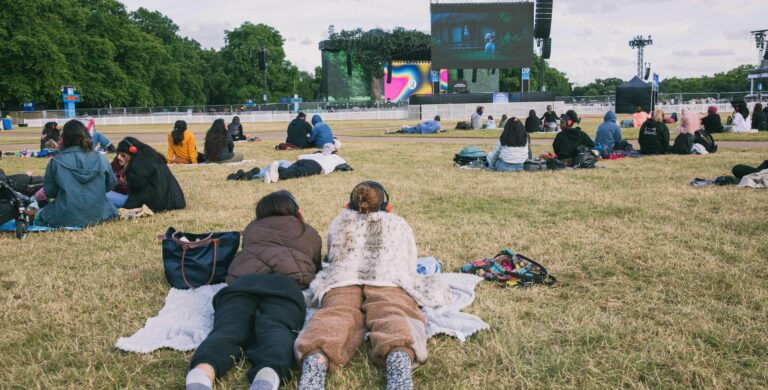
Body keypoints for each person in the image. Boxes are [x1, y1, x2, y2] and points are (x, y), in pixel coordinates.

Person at [295, 182, 453, 390]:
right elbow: (409, 262)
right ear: (386, 206)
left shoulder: (339, 222)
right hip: (390, 279)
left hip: (341, 279)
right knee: (393, 313)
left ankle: (315, 366)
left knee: (335, 314)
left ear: (348, 204)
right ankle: (399, 366)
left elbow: (333, 255)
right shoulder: (399, 223)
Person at [186, 191, 322, 390]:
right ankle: (268, 374)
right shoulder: (308, 232)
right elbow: (316, 270)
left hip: (242, 283)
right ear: (296, 211)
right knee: (277, 328)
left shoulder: (251, 229)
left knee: (228, 329)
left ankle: (202, 372)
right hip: (284, 287)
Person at [36, 120, 118, 228]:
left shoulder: (56, 161)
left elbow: (50, 192)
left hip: (65, 217)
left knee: (38, 215)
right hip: (100, 214)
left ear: (64, 139)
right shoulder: (101, 159)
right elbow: (110, 185)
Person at [107, 137, 185, 211]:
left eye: (123, 155)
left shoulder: (139, 164)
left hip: (145, 203)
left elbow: (136, 186)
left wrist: (125, 173)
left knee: (101, 196)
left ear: (133, 151)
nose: (119, 157)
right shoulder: (150, 157)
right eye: (118, 154)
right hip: (169, 202)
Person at [262, 144, 347, 184]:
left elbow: (299, 157)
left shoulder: (317, 154)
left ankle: (276, 170)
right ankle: (276, 177)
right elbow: (344, 165)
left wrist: (314, 155)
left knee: (291, 169)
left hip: (304, 160)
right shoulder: (337, 158)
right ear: (335, 151)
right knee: (297, 172)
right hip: (316, 165)